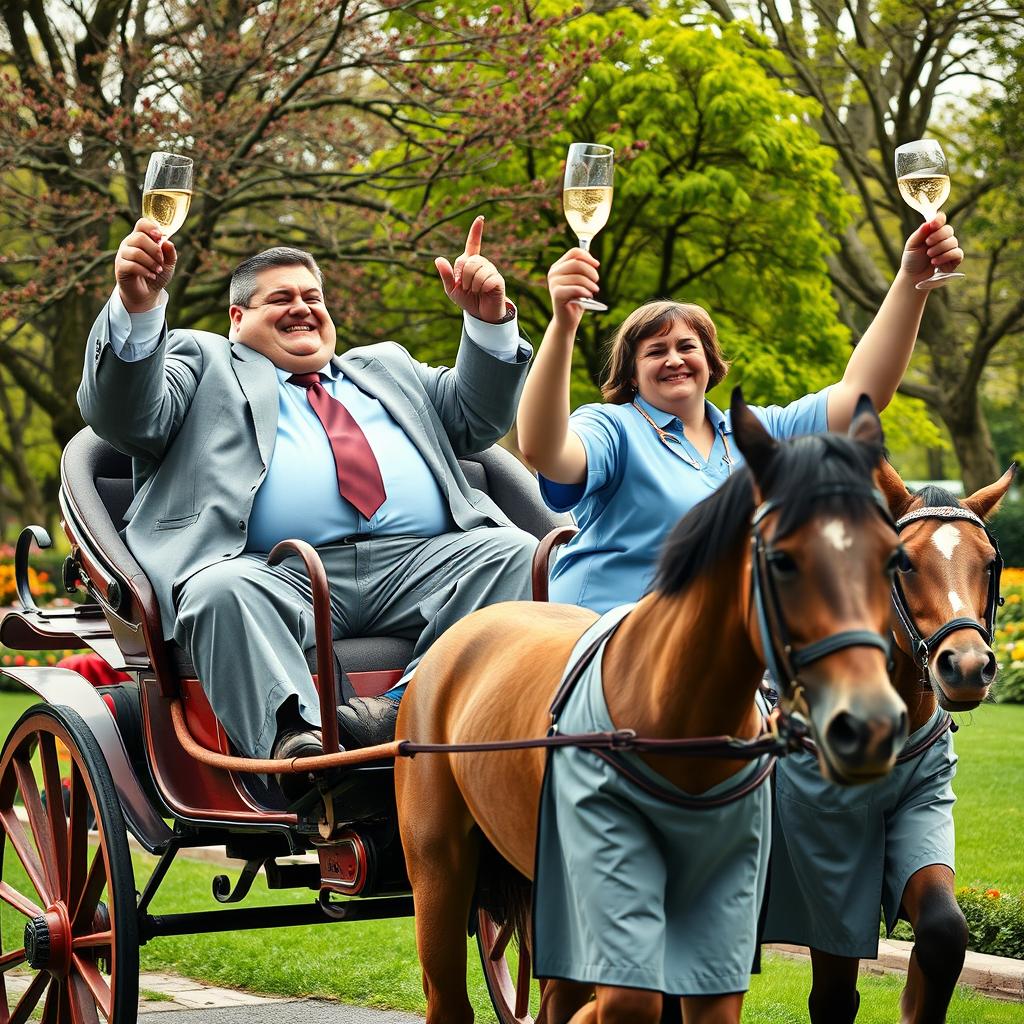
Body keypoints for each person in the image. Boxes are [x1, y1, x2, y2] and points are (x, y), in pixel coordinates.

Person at [78, 215, 536, 793]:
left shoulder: (388, 367)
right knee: (220, 591)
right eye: (281, 298)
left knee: (513, 552)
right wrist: (138, 308)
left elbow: (478, 418)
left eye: (313, 296)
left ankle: (404, 710)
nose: (302, 307)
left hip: (421, 564)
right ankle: (301, 751)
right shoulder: (203, 362)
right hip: (275, 571)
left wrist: (487, 319)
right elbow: (125, 414)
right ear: (238, 319)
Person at [517, 215, 963, 612]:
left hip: (721, 659)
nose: (674, 359)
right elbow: (542, 448)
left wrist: (911, 281)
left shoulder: (758, 434)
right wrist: (563, 325)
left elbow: (862, 393)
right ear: (631, 375)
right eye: (655, 351)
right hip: (604, 643)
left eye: (687, 347)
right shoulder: (612, 428)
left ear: (710, 364)